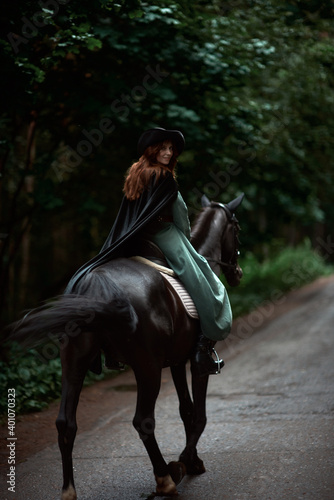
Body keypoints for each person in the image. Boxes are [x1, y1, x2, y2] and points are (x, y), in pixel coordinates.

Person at [65, 127, 232, 376]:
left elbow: (130, 211)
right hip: (166, 236)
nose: (168, 152)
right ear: (152, 150)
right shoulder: (166, 179)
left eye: (170, 149)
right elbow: (181, 217)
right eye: (163, 148)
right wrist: (186, 242)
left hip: (132, 236)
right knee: (204, 279)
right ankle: (203, 346)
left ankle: (103, 352)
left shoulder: (135, 173)